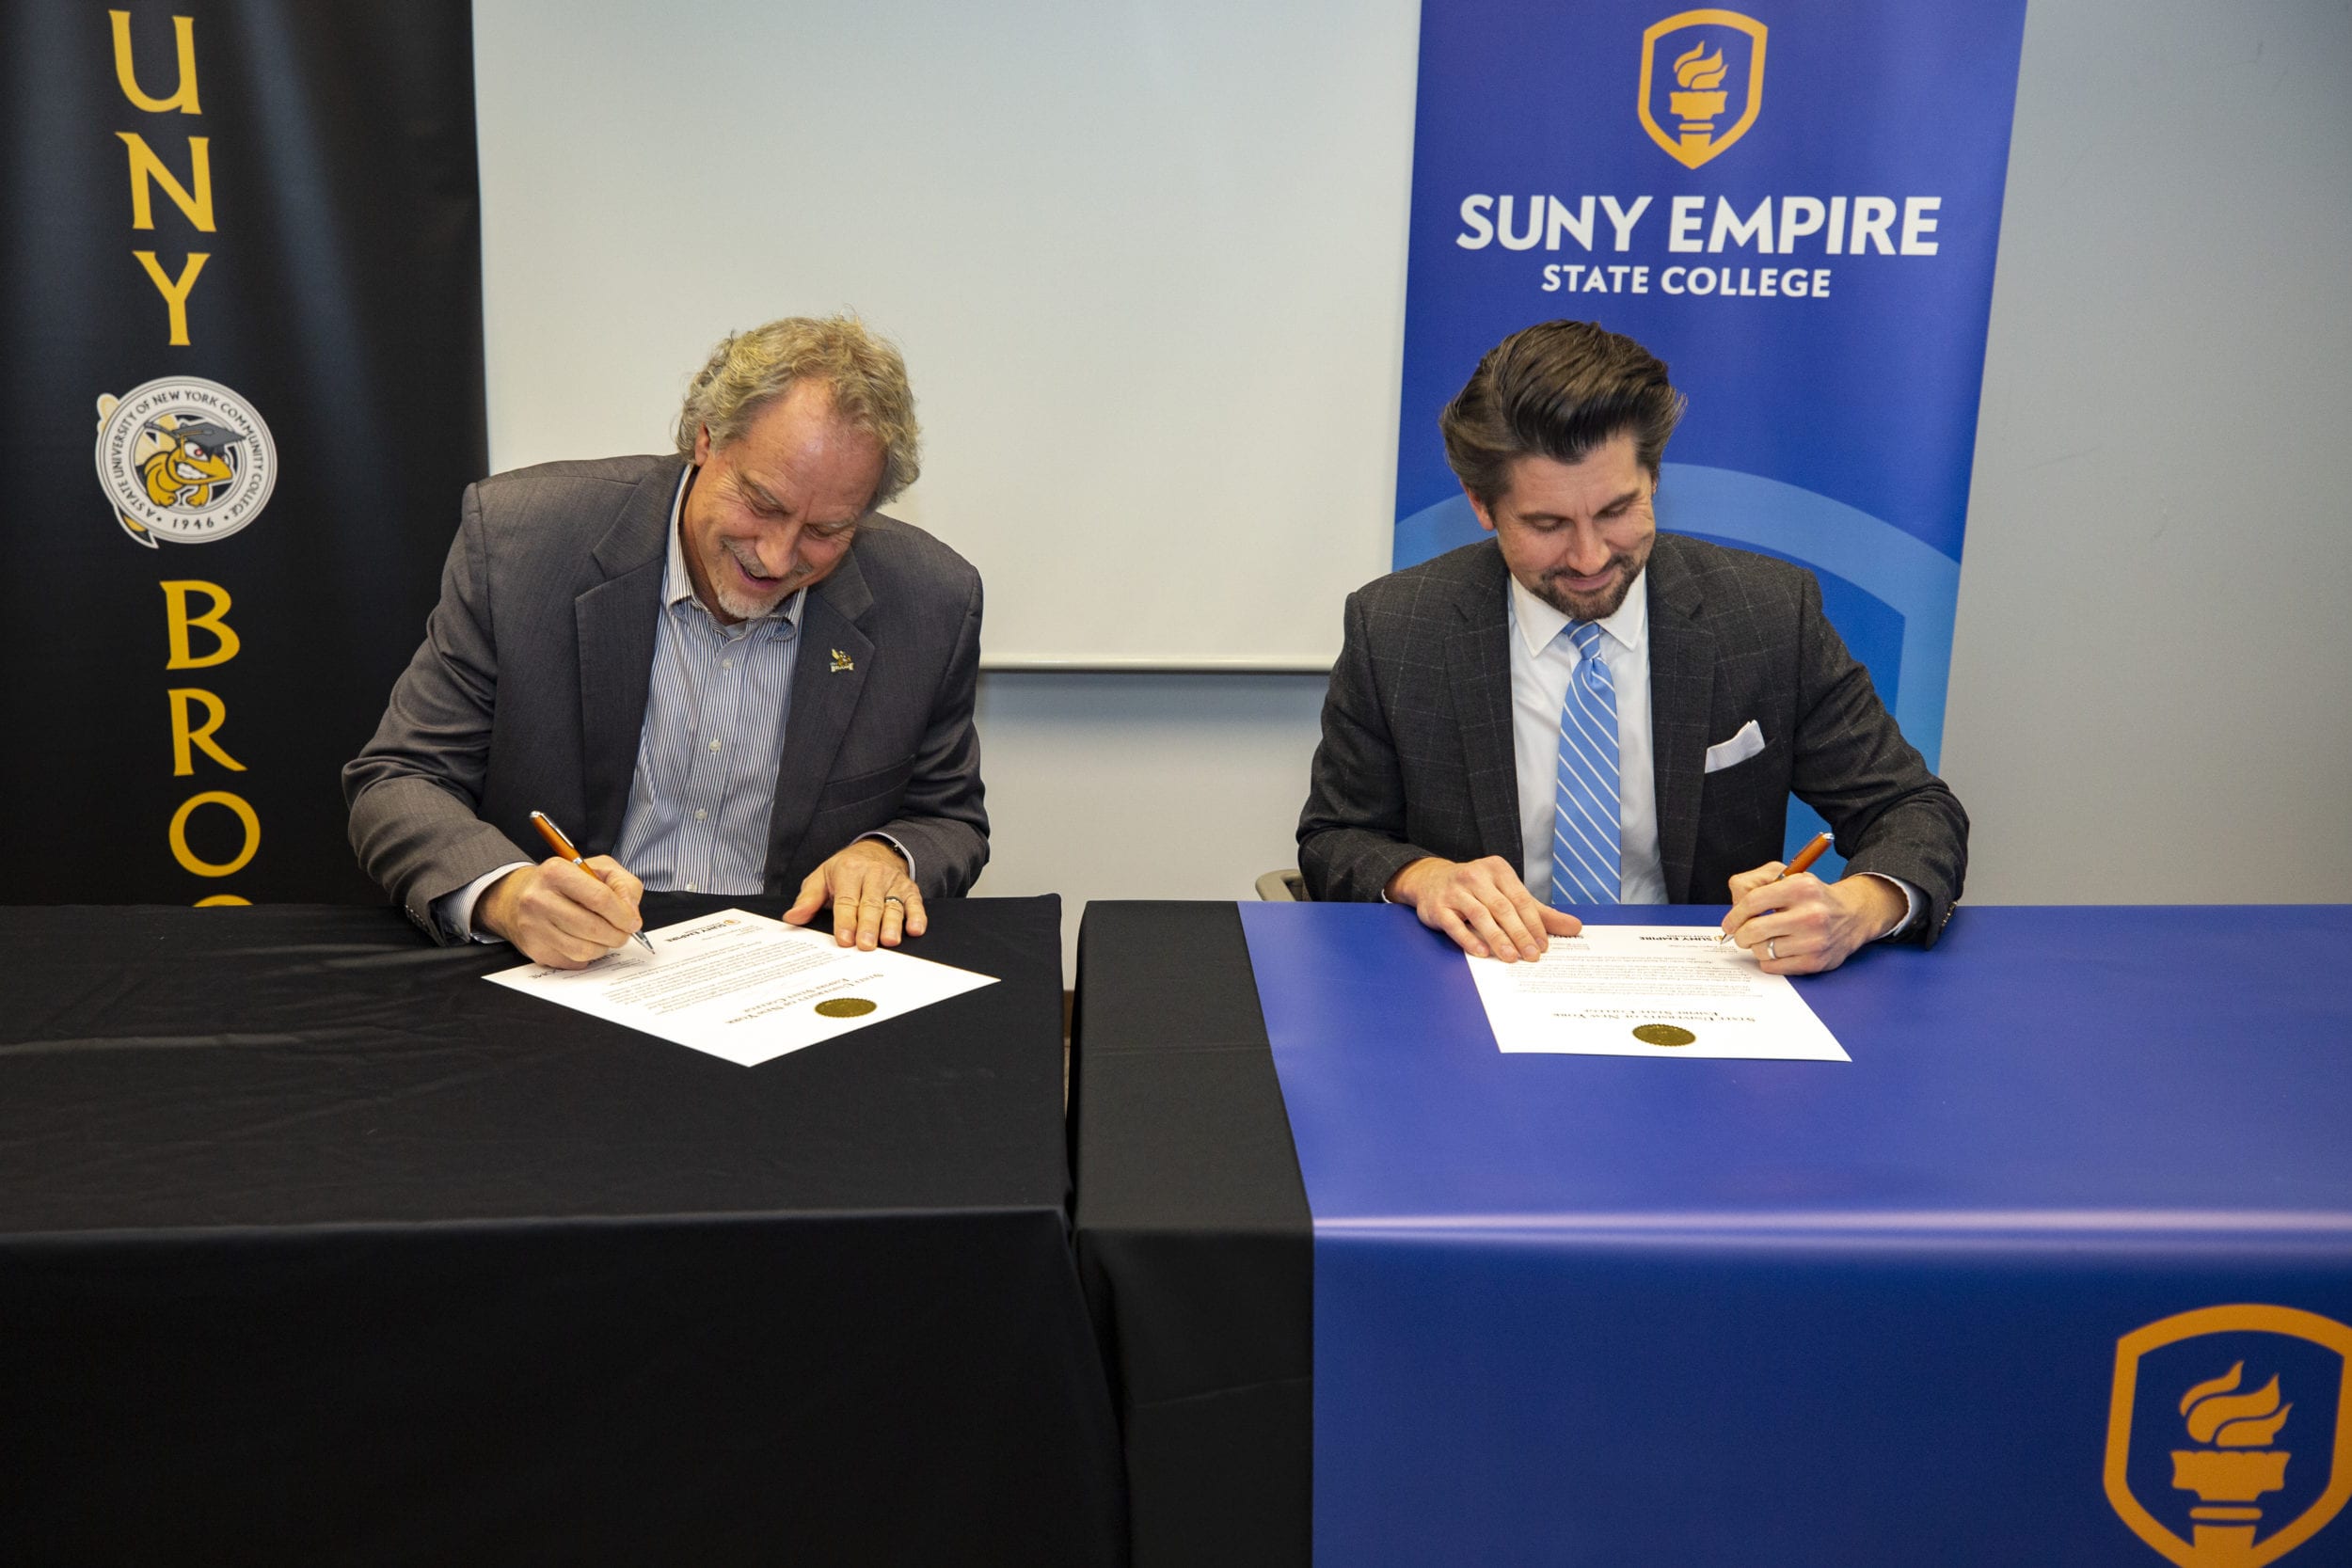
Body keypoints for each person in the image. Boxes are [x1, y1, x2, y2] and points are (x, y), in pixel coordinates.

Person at [1297, 319, 1966, 975]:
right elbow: (1335, 837)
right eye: (1547, 523)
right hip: (1475, 995)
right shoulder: (1396, 629)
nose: (1590, 556)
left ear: (1653, 480)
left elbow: (1912, 808)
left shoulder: (1765, 614)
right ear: (1481, 505)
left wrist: (1858, 906)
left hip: (1710, 1007)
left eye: (1617, 510)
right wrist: (1425, 876)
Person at [345, 314, 986, 969]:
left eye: (826, 529)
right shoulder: (523, 544)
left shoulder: (930, 601)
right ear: (707, 438)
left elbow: (948, 818)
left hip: (786, 980)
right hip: (568, 971)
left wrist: (886, 853)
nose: (776, 554)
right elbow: (401, 778)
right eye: (762, 503)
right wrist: (509, 894)